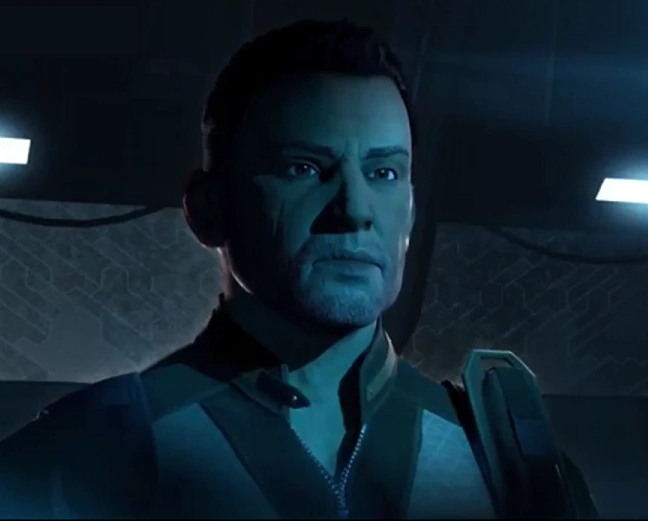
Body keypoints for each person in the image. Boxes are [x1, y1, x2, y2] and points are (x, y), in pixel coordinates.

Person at [0, 19, 599, 519]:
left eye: (384, 173)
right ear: (209, 208)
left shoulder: (505, 461)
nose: (355, 209)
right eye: (304, 168)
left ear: (411, 212)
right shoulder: (84, 452)